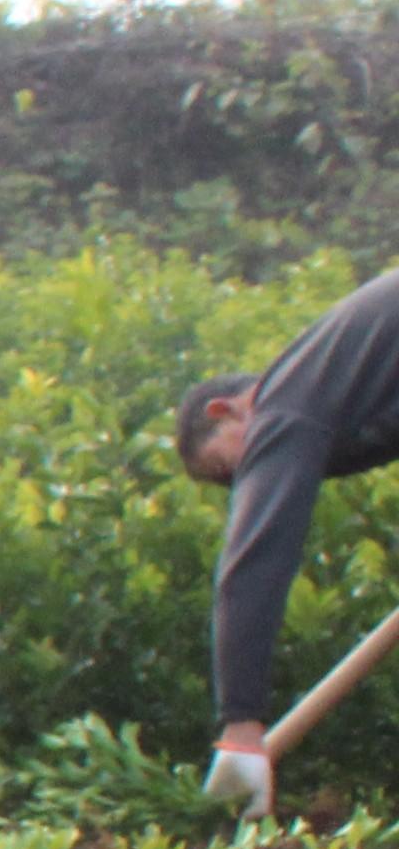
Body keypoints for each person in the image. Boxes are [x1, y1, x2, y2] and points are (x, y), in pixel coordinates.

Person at [175, 262, 399, 813]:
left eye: (230, 471)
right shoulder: (345, 383)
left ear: (224, 411)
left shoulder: (287, 406)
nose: (244, 485)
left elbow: (254, 564)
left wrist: (241, 727)